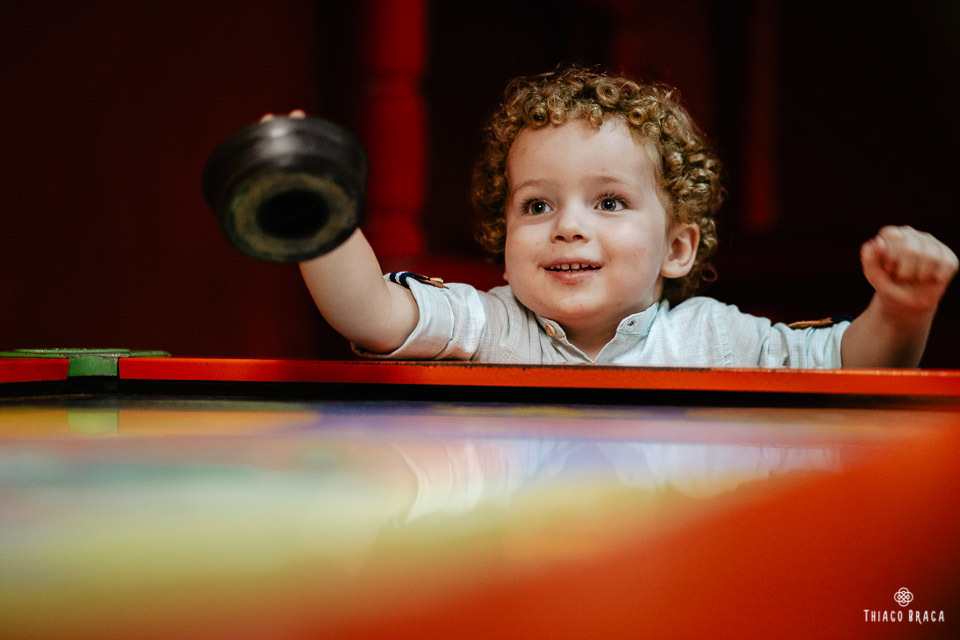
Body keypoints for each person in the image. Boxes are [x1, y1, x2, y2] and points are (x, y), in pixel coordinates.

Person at [297, 66, 957, 367]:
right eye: (537, 205)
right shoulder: (487, 325)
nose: (568, 226)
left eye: (609, 202)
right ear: (504, 245)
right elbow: (369, 313)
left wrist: (902, 310)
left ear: (677, 248)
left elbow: (854, 367)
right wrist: (312, 209)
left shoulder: (713, 340)